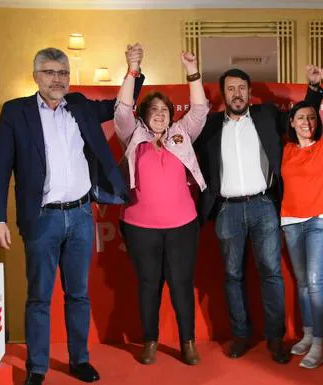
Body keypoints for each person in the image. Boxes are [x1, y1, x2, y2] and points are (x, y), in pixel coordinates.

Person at [0, 46, 144, 385]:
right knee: (39, 296)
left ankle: (79, 360)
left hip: (80, 216)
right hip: (41, 219)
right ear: (36, 76)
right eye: (49, 72)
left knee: (78, 294)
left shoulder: (81, 106)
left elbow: (123, 105)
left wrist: (133, 68)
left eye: (62, 73)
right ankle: (37, 367)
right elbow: (0, 168)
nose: (56, 79)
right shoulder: (15, 112)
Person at [193, 66, 323, 363]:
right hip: (227, 209)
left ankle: (275, 337)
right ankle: (240, 334)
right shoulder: (211, 125)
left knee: (271, 273)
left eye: (242, 88)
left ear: (249, 92)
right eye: (231, 89)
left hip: (264, 206)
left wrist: (314, 89)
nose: (237, 93)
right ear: (223, 94)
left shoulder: (266, 115)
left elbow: (302, 118)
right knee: (232, 275)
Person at [114, 45, 209, 366]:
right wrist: (132, 68)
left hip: (182, 225)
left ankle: (188, 342)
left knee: (182, 284)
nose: (159, 114)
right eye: (153, 110)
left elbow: (199, 111)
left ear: (171, 115)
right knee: (148, 285)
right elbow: (122, 110)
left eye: (165, 110)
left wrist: (193, 72)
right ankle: (150, 341)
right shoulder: (133, 136)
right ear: (144, 115)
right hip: (140, 227)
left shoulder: (181, 133)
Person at [280, 67, 323, 369]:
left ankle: (319, 343)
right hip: (290, 221)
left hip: (321, 220)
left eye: (311, 118)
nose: (306, 122)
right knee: (302, 283)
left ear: (316, 122)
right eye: (300, 118)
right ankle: (308, 334)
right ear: (292, 123)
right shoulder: (285, 150)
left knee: (314, 281)